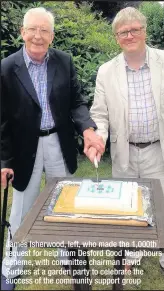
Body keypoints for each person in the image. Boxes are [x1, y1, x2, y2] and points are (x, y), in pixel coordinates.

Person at [1, 7, 105, 290]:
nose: (38, 35)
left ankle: (68, 257)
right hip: (25, 148)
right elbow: (2, 120)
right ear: (23, 32)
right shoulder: (7, 68)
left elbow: (77, 102)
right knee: (21, 210)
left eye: (44, 30)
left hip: (58, 143)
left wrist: (87, 128)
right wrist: (4, 161)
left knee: (66, 203)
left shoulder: (64, 61)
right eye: (33, 29)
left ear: (52, 35)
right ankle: (12, 267)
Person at [85, 7, 164, 272]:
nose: (130, 35)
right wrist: (98, 138)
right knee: (128, 205)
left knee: (162, 204)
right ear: (116, 37)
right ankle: (132, 253)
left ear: (144, 31)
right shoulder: (106, 71)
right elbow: (100, 115)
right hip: (125, 152)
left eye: (135, 30)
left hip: (158, 148)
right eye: (123, 32)